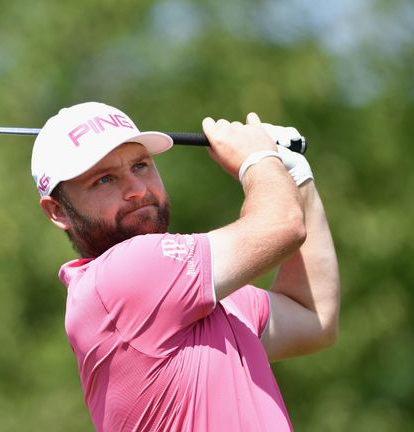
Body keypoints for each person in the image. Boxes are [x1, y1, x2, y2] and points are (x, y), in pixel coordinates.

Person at [30, 102, 340, 431]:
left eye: (141, 166)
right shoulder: (122, 274)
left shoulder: (198, 294)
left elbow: (312, 318)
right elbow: (283, 227)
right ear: (58, 212)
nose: (136, 190)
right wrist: (259, 159)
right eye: (104, 180)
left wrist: (296, 177)